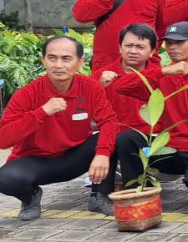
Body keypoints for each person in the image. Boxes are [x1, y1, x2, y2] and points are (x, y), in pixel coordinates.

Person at [113, 22, 188, 207]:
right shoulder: (163, 75)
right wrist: (164, 70)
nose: (172, 47)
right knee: (127, 138)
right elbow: (121, 86)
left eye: (179, 42)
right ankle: (137, 192)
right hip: (165, 148)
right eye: (169, 43)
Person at [0, 36, 119, 219]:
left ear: (79, 63)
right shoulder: (27, 93)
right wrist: (41, 112)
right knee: (6, 179)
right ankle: (30, 198)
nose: (58, 65)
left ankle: (99, 195)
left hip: (74, 156)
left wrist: (103, 153)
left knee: (114, 139)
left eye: (66, 58)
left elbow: (109, 122)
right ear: (43, 61)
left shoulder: (91, 88)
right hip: (36, 161)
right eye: (52, 58)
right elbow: (3, 139)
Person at [96, 23, 160, 136]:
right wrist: (99, 87)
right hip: (112, 136)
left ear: (152, 52)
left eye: (140, 47)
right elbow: (82, 107)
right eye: (128, 46)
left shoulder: (160, 76)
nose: (133, 51)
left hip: (149, 137)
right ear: (120, 48)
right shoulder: (102, 75)